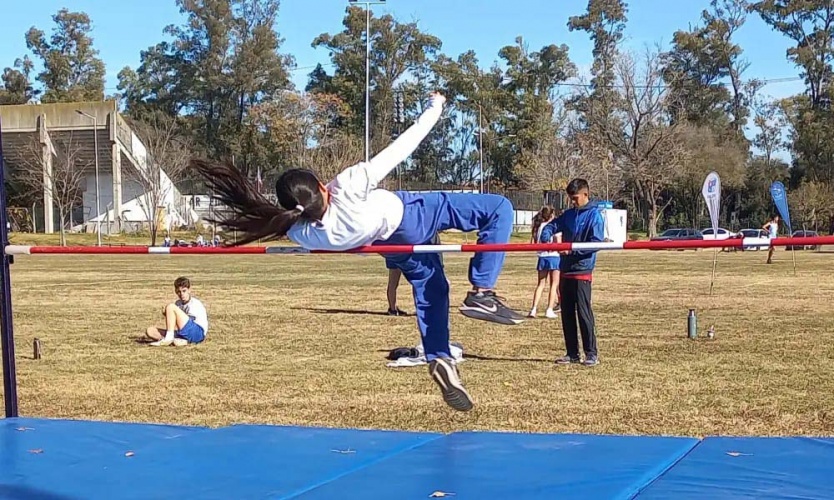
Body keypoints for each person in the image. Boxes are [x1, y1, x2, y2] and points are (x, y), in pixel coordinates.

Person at [194, 92, 525, 412]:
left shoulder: (305, 234)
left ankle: (439, 356)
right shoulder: (349, 186)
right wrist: (434, 107)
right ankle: (482, 290)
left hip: (392, 247)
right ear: (321, 186)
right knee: (498, 208)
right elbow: (402, 147)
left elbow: (293, 219)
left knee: (432, 290)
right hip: (415, 213)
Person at [541, 179, 604, 367]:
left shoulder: (595, 216)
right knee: (566, 313)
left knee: (584, 313)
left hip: (582, 270)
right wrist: (547, 238)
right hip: (565, 269)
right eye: (570, 198)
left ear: (586, 194)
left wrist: (573, 251)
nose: (573, 202)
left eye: (575, 198)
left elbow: (596, 243)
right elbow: (552, 226)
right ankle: (572, 353)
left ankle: (591, 354)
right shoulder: (568, 215)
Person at [386, 232, 443, 316]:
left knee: (393, 282)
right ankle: (417, 309)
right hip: (404, 252)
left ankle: (392, 309)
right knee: (415, 279)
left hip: (395, 249)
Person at [146, 276, 209, 347]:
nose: (181, 294)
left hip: (197, 332)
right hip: (183, 332)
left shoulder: (194, 304)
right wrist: (168, 315)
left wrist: (169, 312)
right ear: (176, 292)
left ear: (189, 290)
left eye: (184, 291)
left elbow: (188, 322)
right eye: (179, 292)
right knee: (150, 331)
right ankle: (180, 340)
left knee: (170, 306)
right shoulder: (178, 303)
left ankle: (169, 338)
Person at [528, 205, 562, 319]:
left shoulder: (538, 227)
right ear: (551, 215)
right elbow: (558, 241)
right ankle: (549, 309)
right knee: (554, 284)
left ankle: (533, 309)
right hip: (554, 256)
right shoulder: (554, 226)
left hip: (542, 257)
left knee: (541, 284)